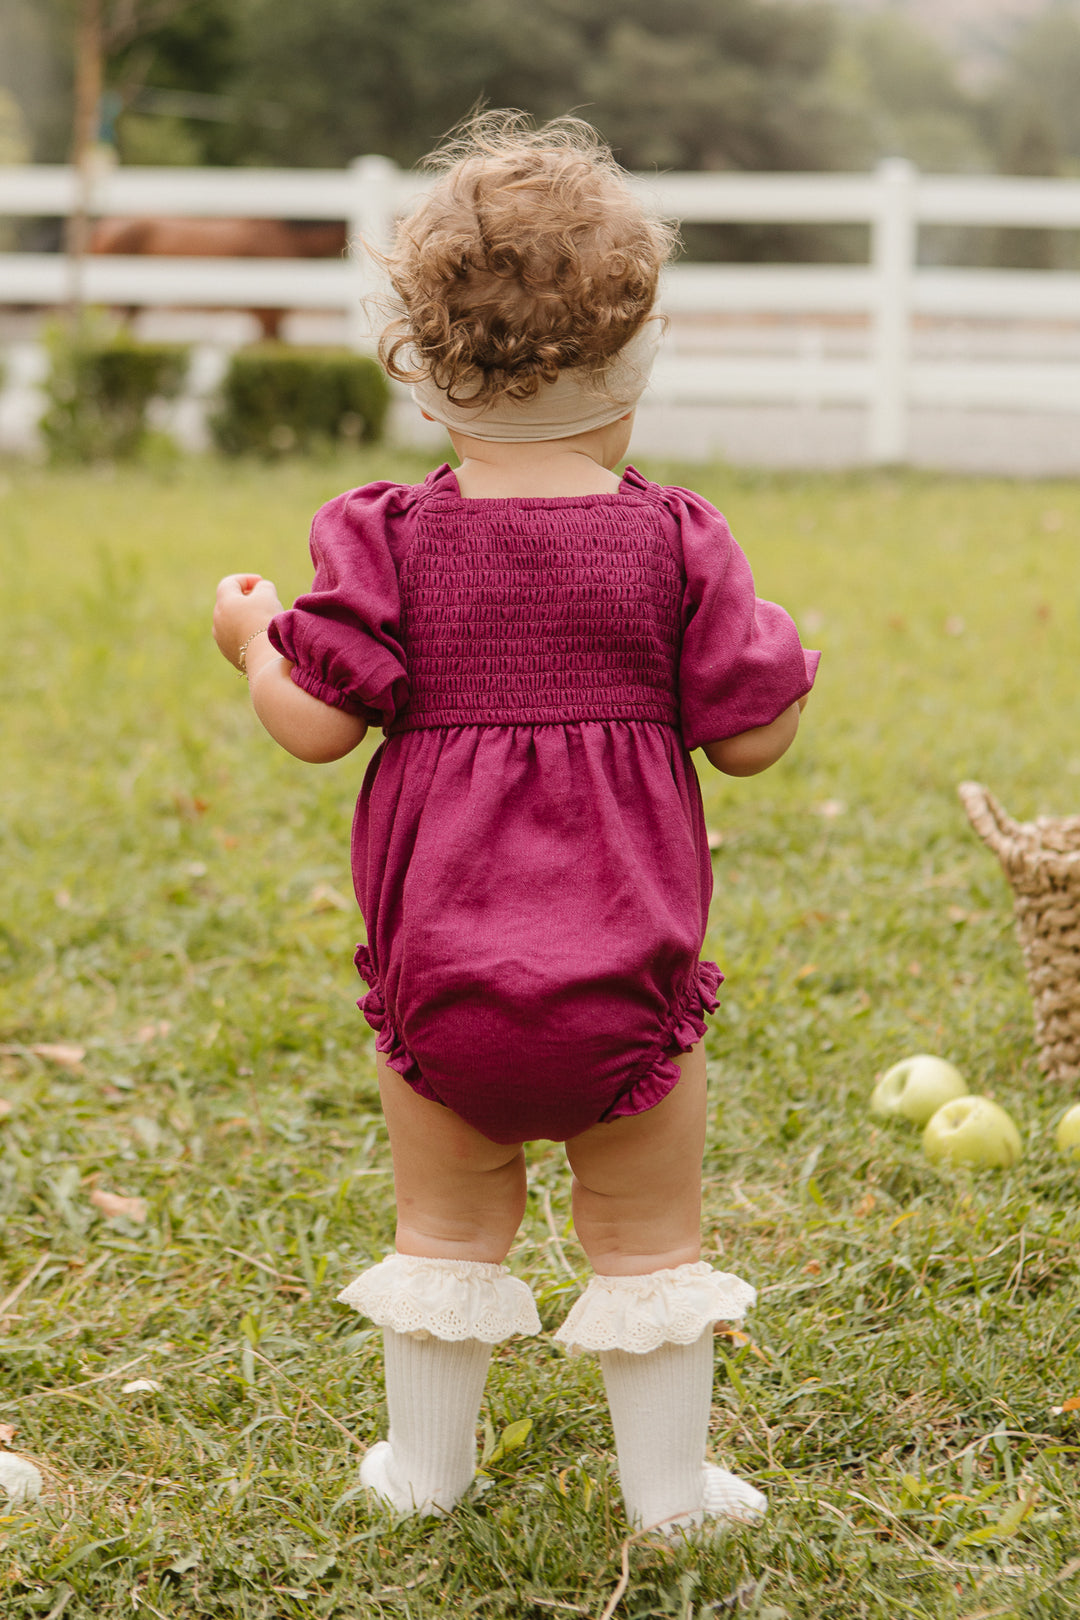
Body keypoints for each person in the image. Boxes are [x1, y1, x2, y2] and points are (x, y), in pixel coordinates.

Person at [212, 112, 818, 1537]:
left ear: (425, 372)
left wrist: (249, 642)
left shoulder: (384, 540)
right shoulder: (678, 541)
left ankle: (425, 1473)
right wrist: (789, 655)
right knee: (650, 1242)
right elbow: (749, 740)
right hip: (629, 985)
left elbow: (311, 723)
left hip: (446, 986)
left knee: (446, 1232)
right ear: (631, 361)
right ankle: (667, 1495)